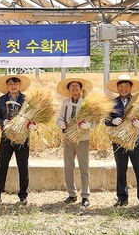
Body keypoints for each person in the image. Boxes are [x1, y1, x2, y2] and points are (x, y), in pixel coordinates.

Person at [0, 74, 36, 205]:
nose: (13, 86)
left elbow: (33, 117)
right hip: (6, 137)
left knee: (23, 166)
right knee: (2, 165)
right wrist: (3, 122)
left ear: (20, 85)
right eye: (10, 84)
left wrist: (32, 125)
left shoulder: (27, 100)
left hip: (22, 138)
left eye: (15, 84)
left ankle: (23, 195)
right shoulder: (1, 100)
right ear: (7, 86)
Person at [105, 74, 139, 207]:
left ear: (131, 88)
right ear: (117, 88)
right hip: (119, 141)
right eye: (121, 86)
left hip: (137, 141)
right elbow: (106, 120)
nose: (123, 88)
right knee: (121, 169)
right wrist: (112, 121)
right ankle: (122, 198)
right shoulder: (112, 103)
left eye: (126, 86)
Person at [56, 77, 94, 207]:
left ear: (81, 88)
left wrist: (88, 125)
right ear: (68, 89)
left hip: (83, 140)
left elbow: (95, 121)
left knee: (84, 168)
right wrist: (61, 124)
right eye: (71, 86)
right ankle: (72, 194)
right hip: (68, 139)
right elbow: (59, 119)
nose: (74, 87)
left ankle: (85, 196)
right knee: (68, 167)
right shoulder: (65, 103)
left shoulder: (87, 104)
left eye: (77, 85)